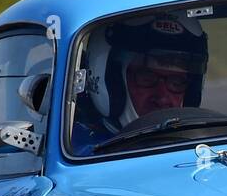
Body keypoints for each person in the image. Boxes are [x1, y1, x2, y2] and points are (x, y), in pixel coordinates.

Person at [76, 12, 209, 148]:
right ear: (110, 81)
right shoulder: (80, 156)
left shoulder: (207, 151)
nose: (162, 98)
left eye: (176, 82)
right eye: (147, 78)